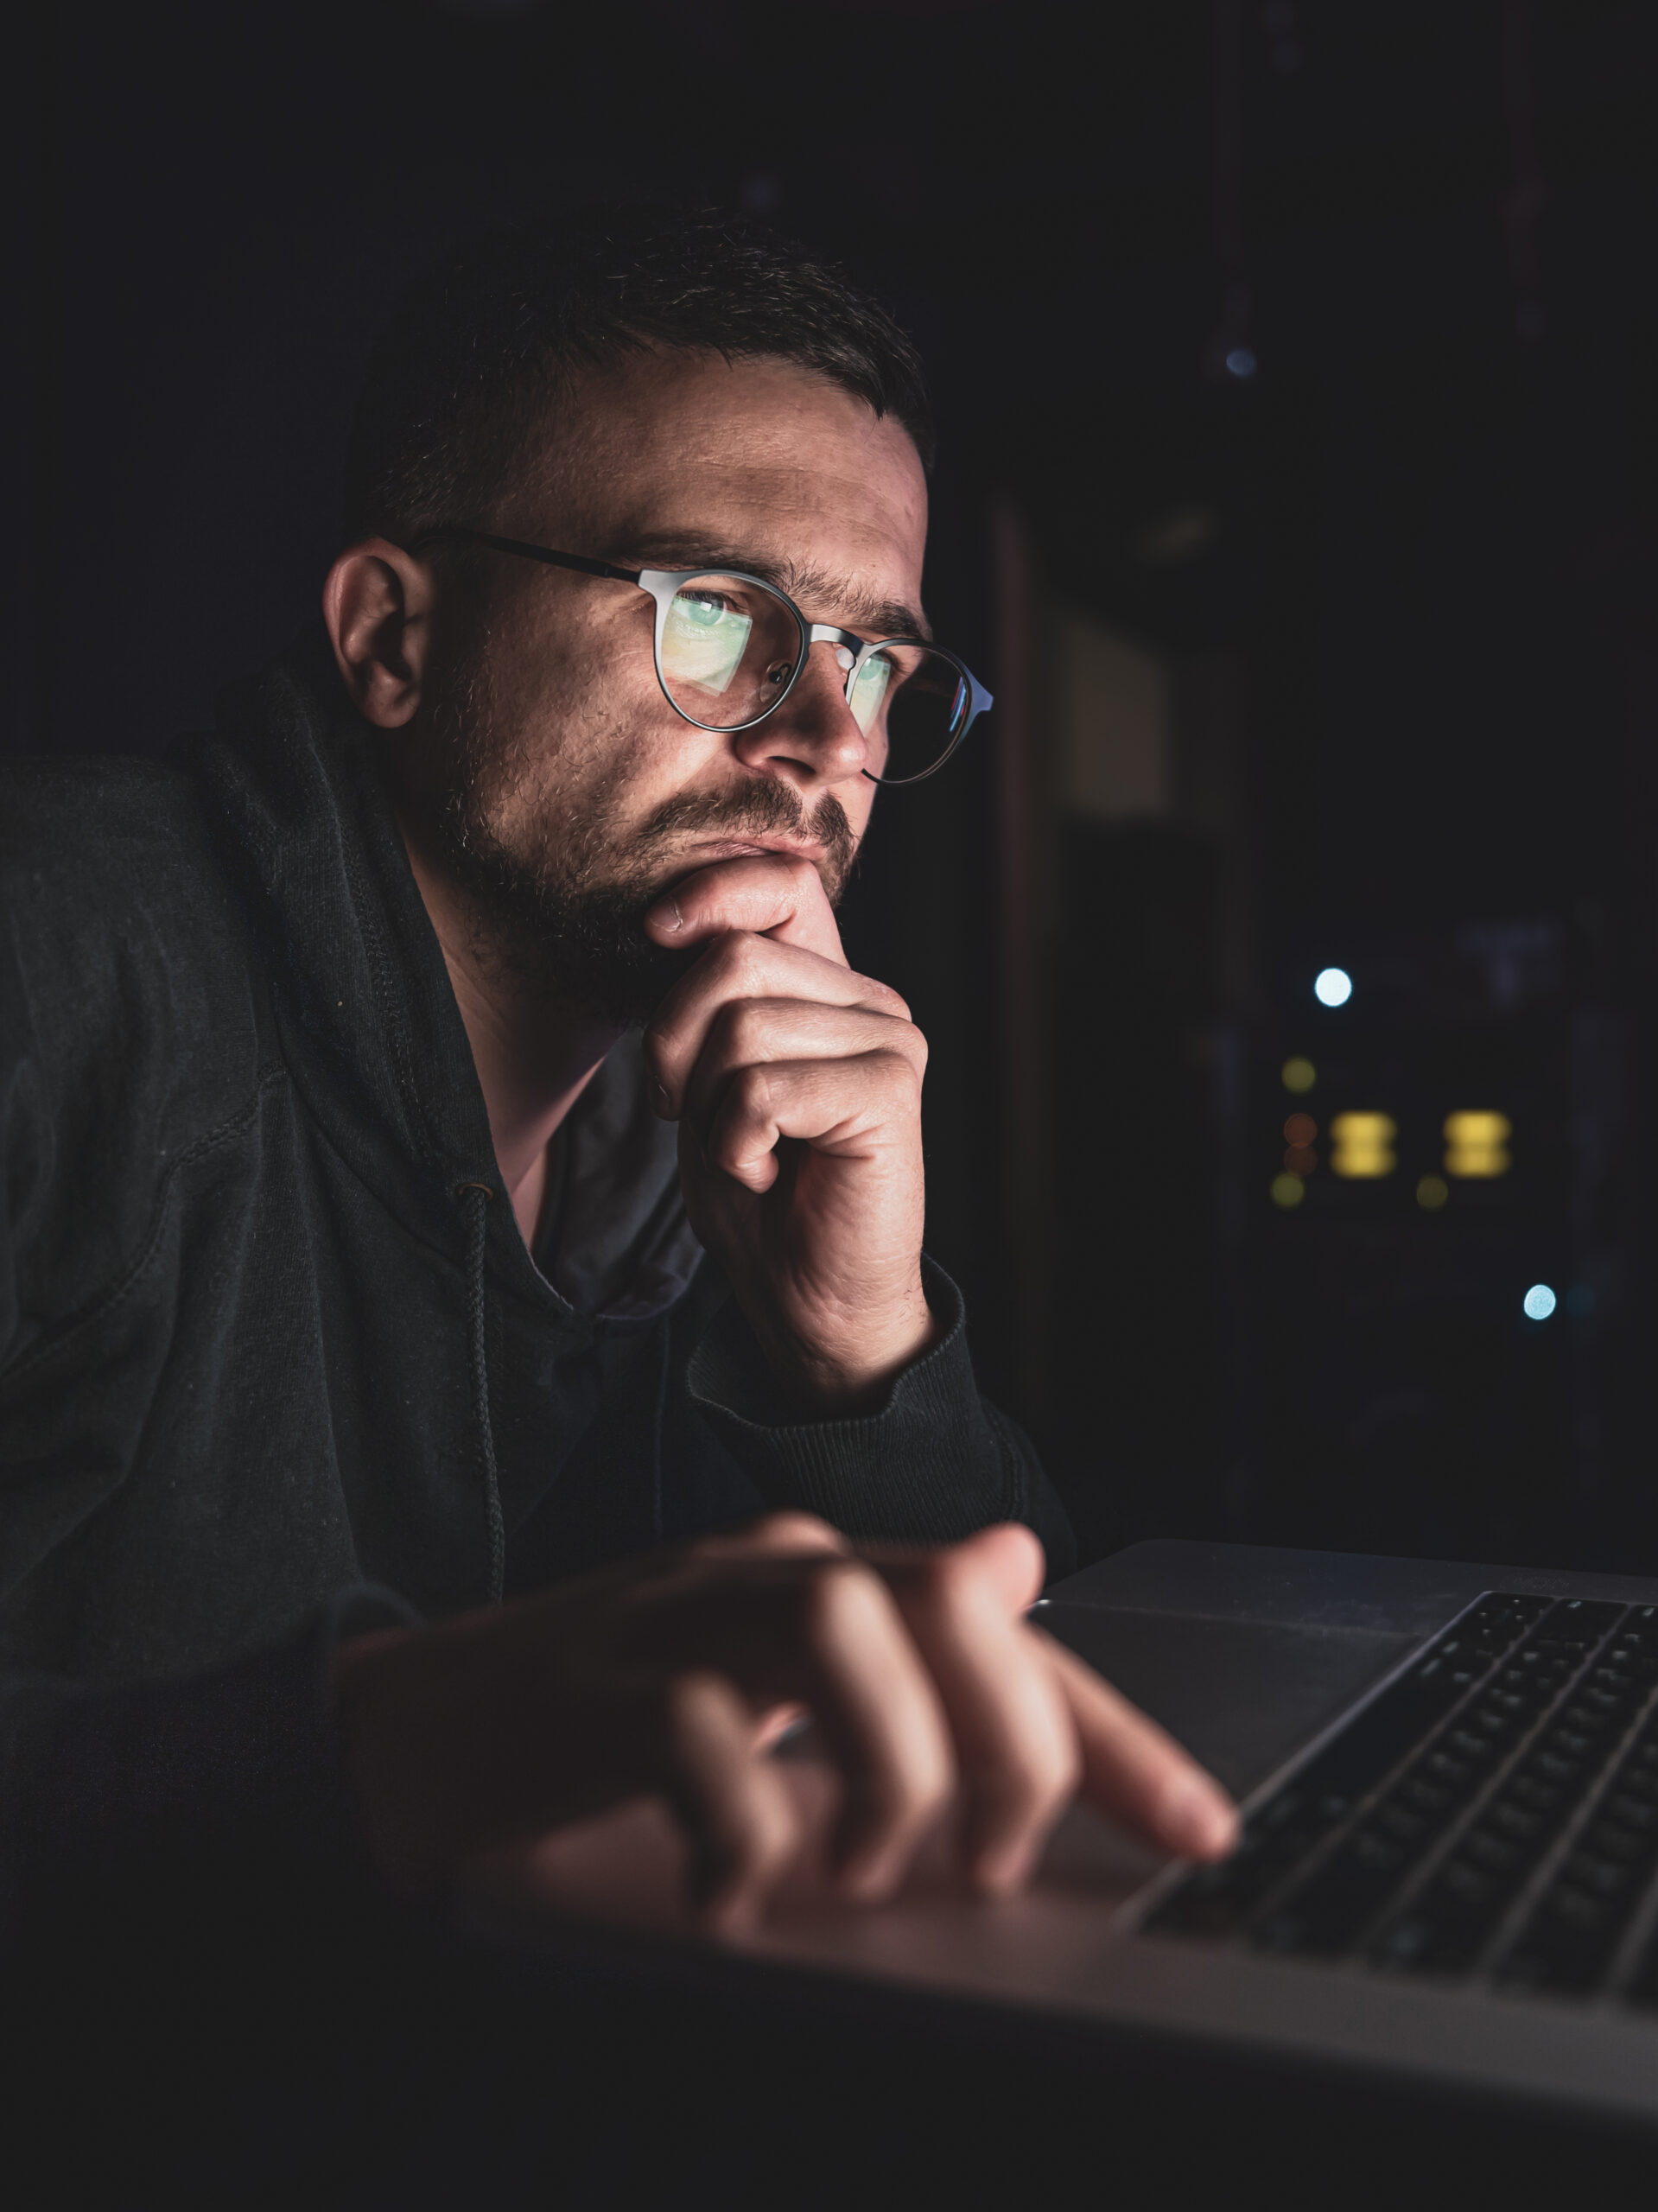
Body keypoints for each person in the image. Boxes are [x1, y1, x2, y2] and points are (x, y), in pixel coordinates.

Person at [0, 211, 1234, 1960]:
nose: (825, 738)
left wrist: (859, 1344)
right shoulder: (56, 963)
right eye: (724, 615)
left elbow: (1039, 1735)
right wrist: (387, 1738)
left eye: (876, 659)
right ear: (393, 639)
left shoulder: (703, 1132)